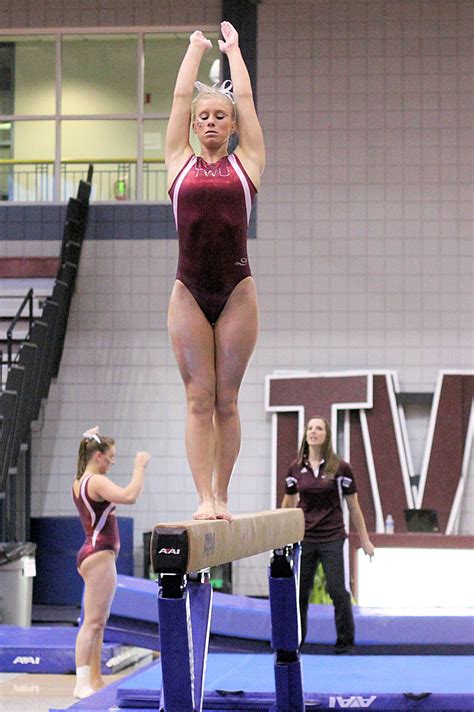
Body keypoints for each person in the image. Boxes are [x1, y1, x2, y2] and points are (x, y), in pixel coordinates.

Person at [165, 21, 265, 522]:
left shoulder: (248, 163)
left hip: (237, 293)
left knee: (227, 401)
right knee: (197, 399)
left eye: (219, 116)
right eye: (202, 116)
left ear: (231, 126)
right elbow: (181, 96)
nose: (208, 121)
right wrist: (194, 50)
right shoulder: (177, 161)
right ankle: (203, 497)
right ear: (193, 124)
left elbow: (245, 98)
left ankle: (222, 496)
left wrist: (235, 52)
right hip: (188, 292)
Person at [281, 416, 374, 654]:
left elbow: (354, 506)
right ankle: (295, 643)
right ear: (306, 435)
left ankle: (346, 643)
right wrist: (278, 536)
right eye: (310, 428)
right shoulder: (295, 469)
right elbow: (288, 503)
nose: (313, 432)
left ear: (326, 436)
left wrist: (365, 540)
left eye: (319, 428)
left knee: (337, 590)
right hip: (305, 537)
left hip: (332, 536)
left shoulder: (340, 468)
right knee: (300, 592)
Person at [72, 426, 150, 698]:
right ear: (97, 456)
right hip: (99, 555)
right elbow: (130, 496)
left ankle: (95, 678)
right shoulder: (96, 482)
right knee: (92, 623)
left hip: (92, 553)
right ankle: (81, 682)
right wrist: (140, 466)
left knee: (98, 622)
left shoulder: (80, 480)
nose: (113, 461)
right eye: (111, 456)